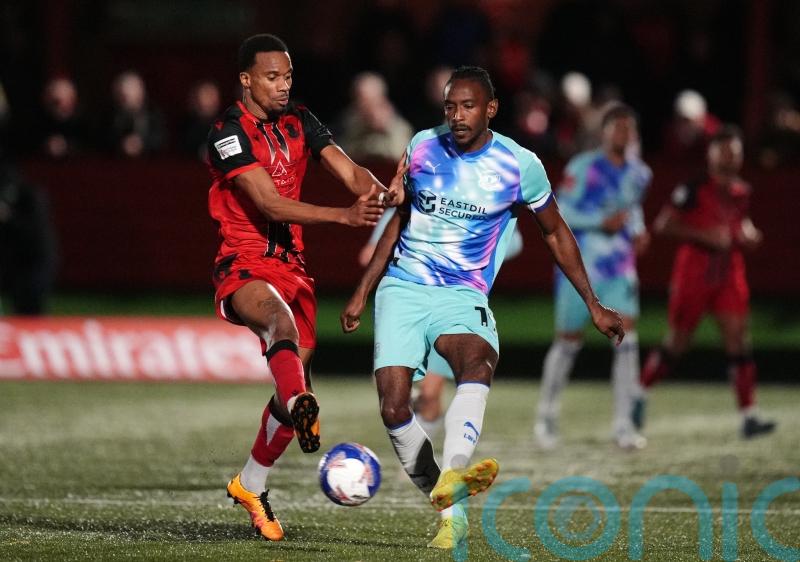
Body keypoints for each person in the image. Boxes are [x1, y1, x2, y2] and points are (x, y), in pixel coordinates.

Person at [340, 66, 624, 549]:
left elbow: (555, 233)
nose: (457, 116)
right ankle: (449, 504)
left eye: (468, 106)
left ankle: (454, 473)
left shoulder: (519, 165)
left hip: (463, 293)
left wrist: (593, 304)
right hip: (403, 287)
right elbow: (399, 219)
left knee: (476, 362)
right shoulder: (422, 146)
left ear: (491, 109)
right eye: (450, 107)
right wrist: (362, 291)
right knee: (393, 407)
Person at [208, 34, 389, 542]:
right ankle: (300, 405)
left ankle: (250, 484)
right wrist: (344, 216)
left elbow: (350, 171)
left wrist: (386, 194)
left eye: (288, 76)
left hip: (294, 269)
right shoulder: (226, 133)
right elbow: (267, 203)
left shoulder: (301, 121)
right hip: (244, 262)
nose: (283, 85)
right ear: (246, 80)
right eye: (272, 77)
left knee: (291, 393)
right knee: (279, 327)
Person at [637, 126, 776, 439]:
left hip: (728, 272)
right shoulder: (693, 188)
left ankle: (749, 415)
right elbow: (664, 224)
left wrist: (749, 235)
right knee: (678, 342)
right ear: (711, 155)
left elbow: (741, 224)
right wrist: (704, 235)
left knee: (739, 339)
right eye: (724, 151)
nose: (729, 158)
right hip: (695, 272)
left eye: (734, 152)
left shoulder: (742, 191)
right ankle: (640, 392)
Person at [534, 103, 652, 451]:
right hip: (580, 268)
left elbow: (632, 209)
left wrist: (638, 230)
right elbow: (559, 212)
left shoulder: (640, 173)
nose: (623, 134)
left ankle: (623, 424)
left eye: (628, 128)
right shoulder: (583, 167)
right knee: (568, 341)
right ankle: (546, 416)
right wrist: (600, 222)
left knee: (627, 340)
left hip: (619, 267)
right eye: (617, 127)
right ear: (604, 132)